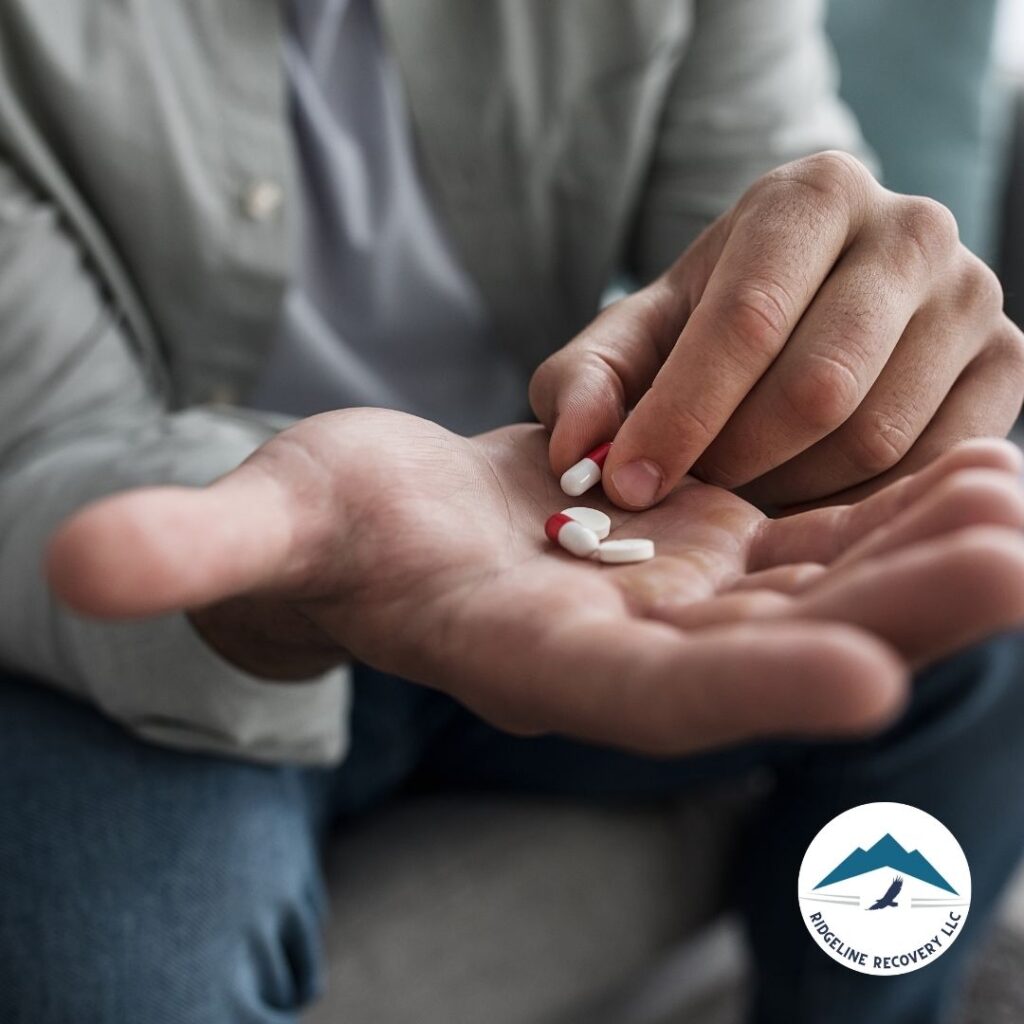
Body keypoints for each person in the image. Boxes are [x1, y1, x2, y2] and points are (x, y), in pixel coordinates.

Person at [1, 1, 1023, 1021]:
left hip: (552, 566)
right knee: (113, 983)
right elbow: (39, 449)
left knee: (978, 609)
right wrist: (306, 559)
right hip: (175, 617)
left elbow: (782, 236)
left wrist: (848, 329)